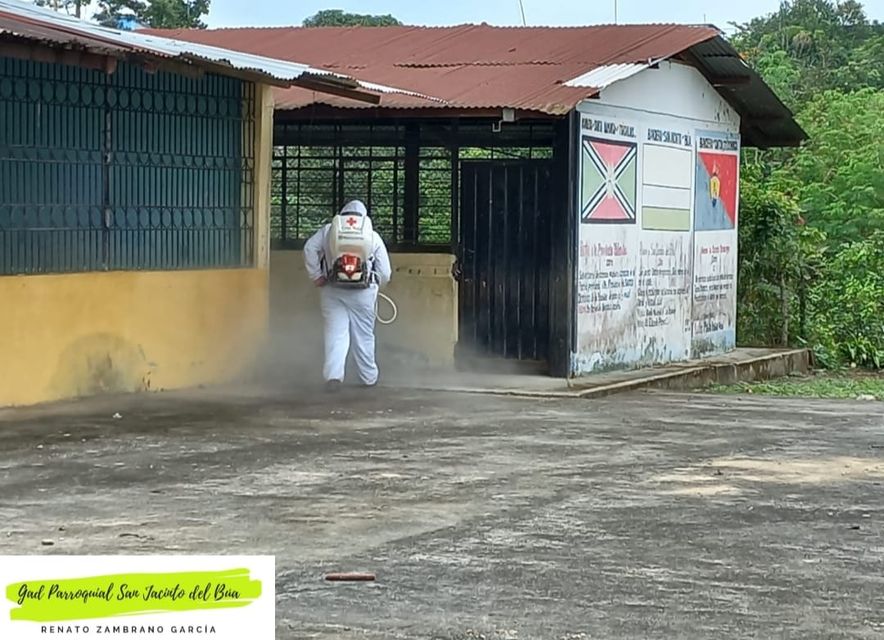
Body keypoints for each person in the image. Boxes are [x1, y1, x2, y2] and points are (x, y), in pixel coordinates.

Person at [303, 200, 392, 391]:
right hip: (363, 293)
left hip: (332, 289)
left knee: (335, 333)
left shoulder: (328, 231)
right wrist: (378, 284)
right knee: (364, 335)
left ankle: (333, 377)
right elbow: (385, 271)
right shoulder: (371, 235)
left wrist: (316, 276)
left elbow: (309, 248)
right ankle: (368, 377)